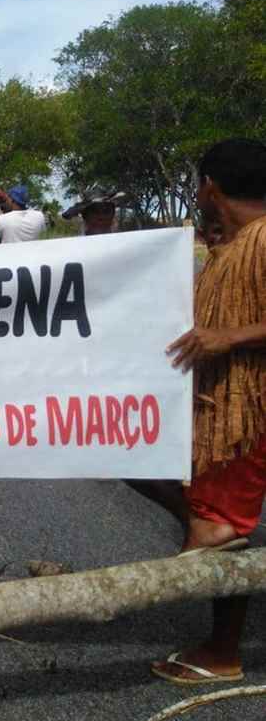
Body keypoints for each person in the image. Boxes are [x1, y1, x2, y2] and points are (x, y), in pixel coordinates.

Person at [150, 138, 266, 686]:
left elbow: (228, 332)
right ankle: (199, 524)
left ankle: (222, 653)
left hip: (245, 417)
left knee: (222, 527)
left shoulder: (263, 238)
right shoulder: (235, 242)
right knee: (205, 513)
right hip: (221, 411)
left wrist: (230, 337)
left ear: (209, 187)